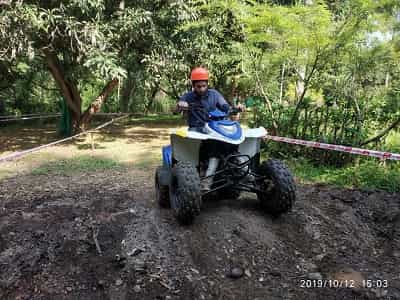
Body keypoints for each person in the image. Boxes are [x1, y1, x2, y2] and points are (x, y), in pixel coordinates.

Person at [176, 67, 243, 191]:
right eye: (198, 86)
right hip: (197, 128)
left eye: (203, 85)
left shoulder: (214, 94)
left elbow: (224, 106)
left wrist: (234, 109)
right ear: (193, 85)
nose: (201, 89)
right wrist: (181, 104)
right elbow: (180, 104)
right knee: (202, 145)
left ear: (207, 84)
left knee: (229, 142)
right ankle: (202, 171)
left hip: (214, 127)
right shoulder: (188, 97)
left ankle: (236, 166)